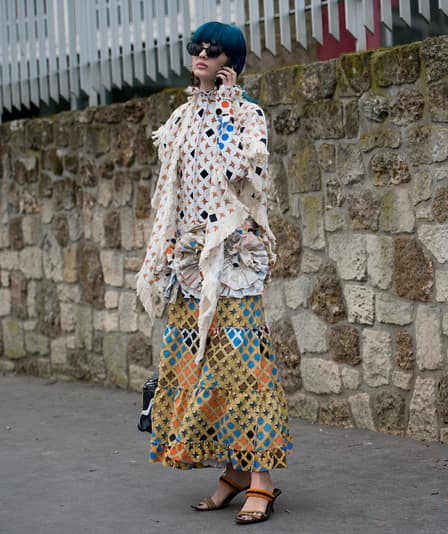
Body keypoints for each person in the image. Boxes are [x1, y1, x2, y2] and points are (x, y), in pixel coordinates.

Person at [136, 21, 292, 525]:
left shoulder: (248, 115)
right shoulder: (179, 118)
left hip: (234, 261)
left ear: (232, 62)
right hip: (189, 264)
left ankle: (262, 479)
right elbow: (170, 195)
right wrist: (162, 252)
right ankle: (233, 473)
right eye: (196, 47)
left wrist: (226, 110)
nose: (202, 54)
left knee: (247, 369)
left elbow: (245, 176)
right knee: (203, 372)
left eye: (214, 50)